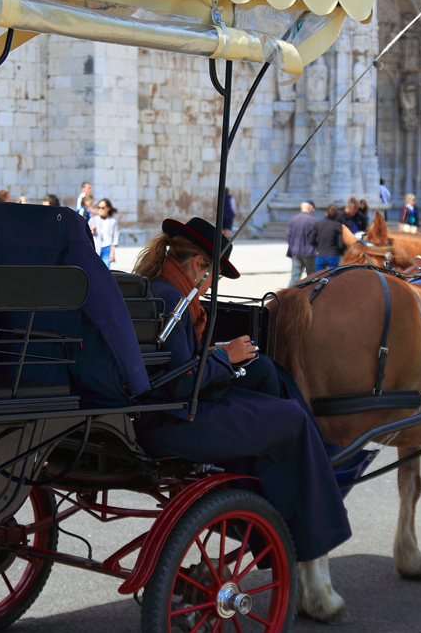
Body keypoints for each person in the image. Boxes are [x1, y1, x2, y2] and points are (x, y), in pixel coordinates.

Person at [132, 217, 352, 565]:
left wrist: (220, 354)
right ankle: (308, 525)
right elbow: (179, 382)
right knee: (291, 418)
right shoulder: (174, 300)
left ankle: (299, 462)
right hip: (169, 420)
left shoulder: (156, 287)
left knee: (264, 369)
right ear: (198, 265)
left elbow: (169, 365)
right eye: (213, 277)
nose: (210, 287)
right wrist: (225, 356)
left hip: (160, 409)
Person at [286, 202, 317, 285]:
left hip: (295, 251)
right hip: (309, 252)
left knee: (294, 277)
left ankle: (290, 292)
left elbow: (288, 235)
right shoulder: (313, 220)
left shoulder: (293, 220)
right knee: (312, 277)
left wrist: (293, 246)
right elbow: (316, 237)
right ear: (311, 207)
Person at [308, 204, 347, 270]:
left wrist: (319, 246)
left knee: (319, 275)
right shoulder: (337, 225)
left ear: (326, 213)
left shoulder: (318, 224)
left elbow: (311, 240)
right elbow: (341, 244)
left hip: (320, 254)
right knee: (332, 275)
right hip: (333, 254)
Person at [89, 198, 119, 268]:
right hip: (96, 248)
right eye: (99, 208)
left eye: (103, 208)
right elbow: (86, 234)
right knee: (95, 269)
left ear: (108, 208)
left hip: (107, 248)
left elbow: (115, 237)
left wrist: (112, 252)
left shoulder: (112, 221)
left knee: (105, 268)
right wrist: (91, 230)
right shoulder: (93, 220)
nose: (100, 210)